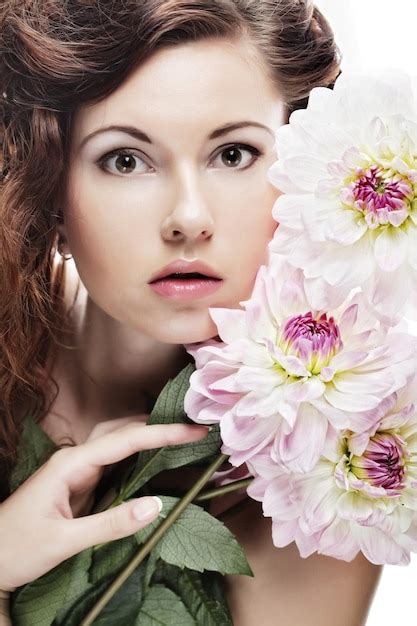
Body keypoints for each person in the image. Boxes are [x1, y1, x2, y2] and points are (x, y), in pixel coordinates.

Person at [0, 1, 383, 624]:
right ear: (50, 196)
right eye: (125, 160)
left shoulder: (324, 492)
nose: (188, 219)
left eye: (233, 154)